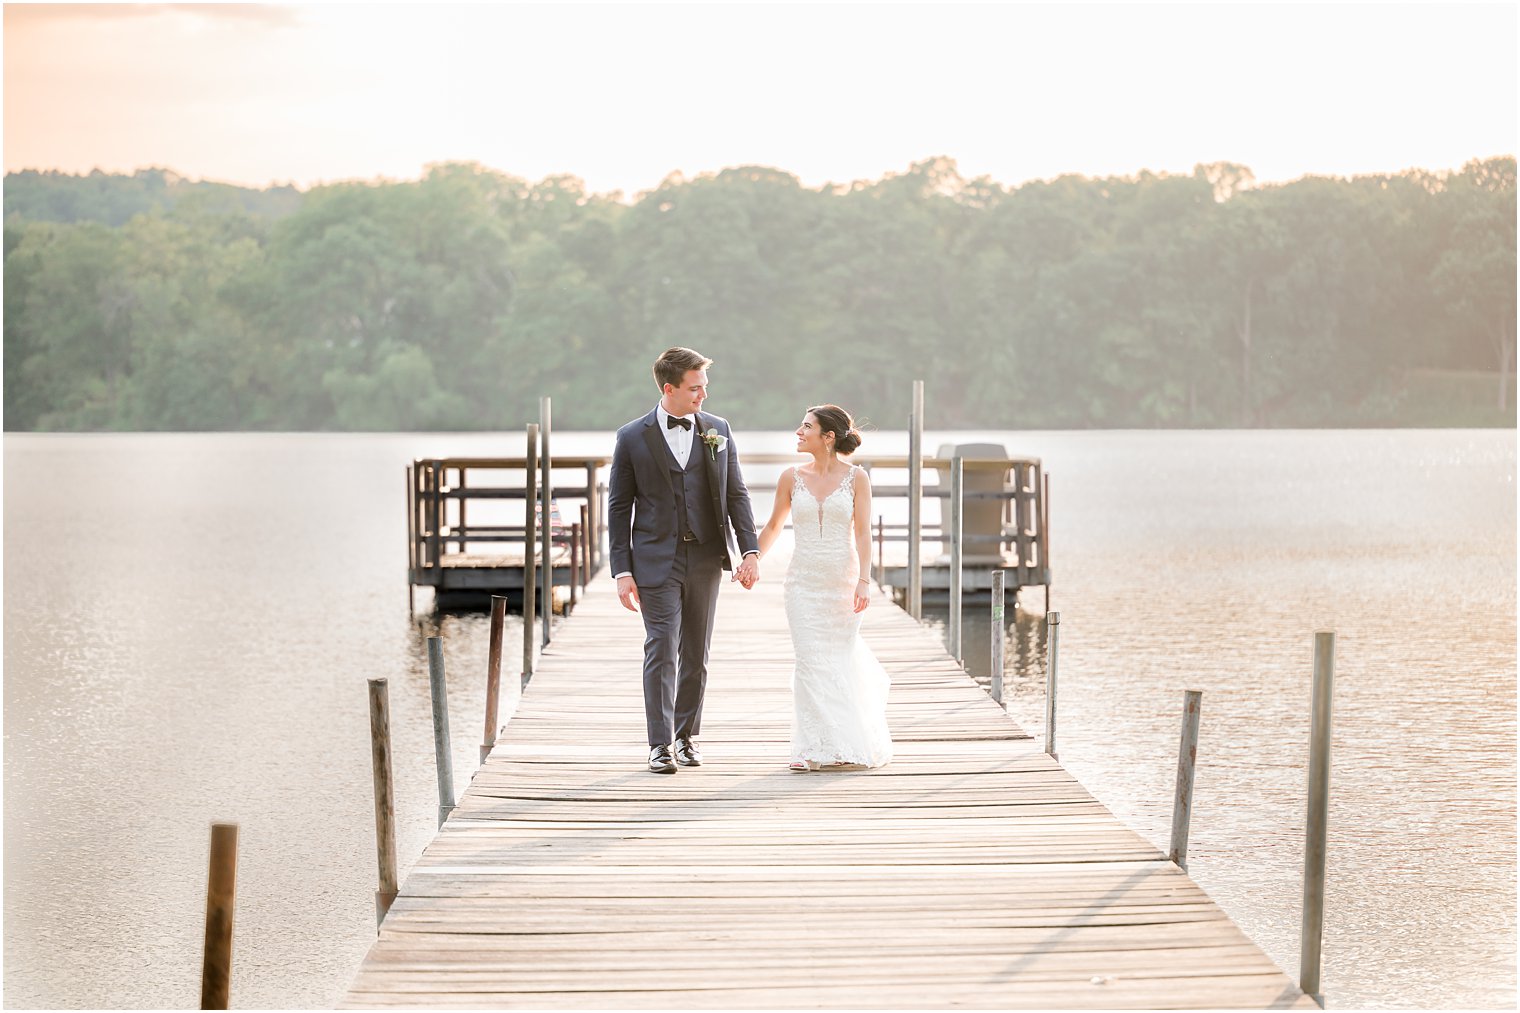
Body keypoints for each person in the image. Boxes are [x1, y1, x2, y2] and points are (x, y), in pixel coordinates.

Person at [608, 347, 760, 774]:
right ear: (669, 388)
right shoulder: (632, 437)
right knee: (661, 647)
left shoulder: (718, 429)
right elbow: (619, 508)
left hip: (707, 557)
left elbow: (736, 494)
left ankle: (685, 735)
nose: (703, 395)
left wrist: (749, 550)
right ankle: (659, 744)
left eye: (705, 386)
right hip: (655, 560)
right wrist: (622, 570)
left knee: (696, 651)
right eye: (695, 388)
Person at [753, 405, 893, 771]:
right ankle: (811, 748)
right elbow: (771, 528)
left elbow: (862, 533)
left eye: (806, 427)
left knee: (838, 660)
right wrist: (752, 557)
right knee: (809, 661)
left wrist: (864, 580)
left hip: (843, 583)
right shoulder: (790, 477)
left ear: (828, 437)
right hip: (801, 583)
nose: (798, 432)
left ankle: (845, 742)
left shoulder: (857, 478)